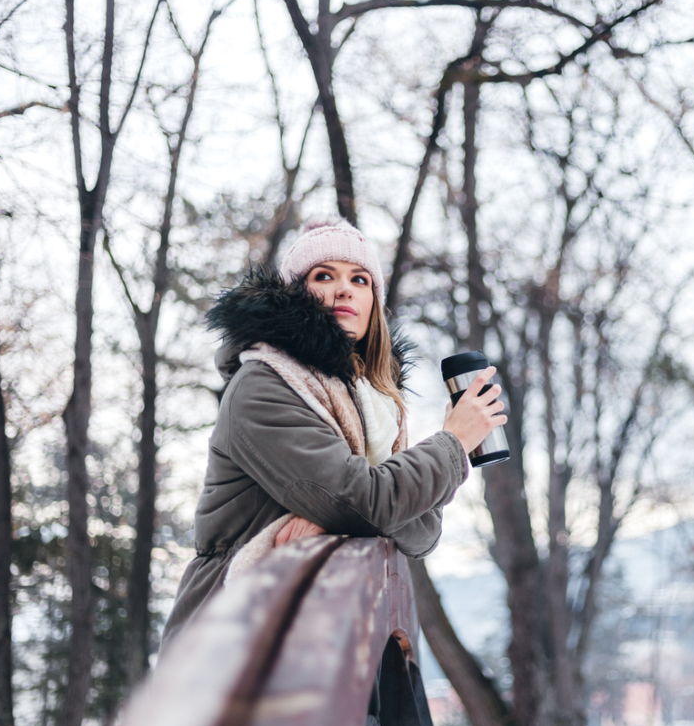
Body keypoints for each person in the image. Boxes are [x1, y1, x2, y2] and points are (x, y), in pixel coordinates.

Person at [160, 217, 505, 648]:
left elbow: (422, 531)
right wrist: (453, 443)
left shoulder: (373, 402)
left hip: (325, 635)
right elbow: (368, 503)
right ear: (295, 294)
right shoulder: (263, 385)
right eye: (324, 276)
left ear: (373, 302)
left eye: (360, 279)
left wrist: (343, 515)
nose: (344, 289)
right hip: (230, 640)